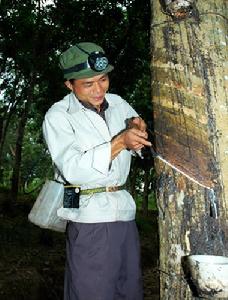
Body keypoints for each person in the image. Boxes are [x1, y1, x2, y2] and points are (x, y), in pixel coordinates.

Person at [43, 42, 151, 300]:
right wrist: (119, 143)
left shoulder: (118, 103)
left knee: (129, 291)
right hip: (90, 219)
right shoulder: (59, 116)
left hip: (125, 215)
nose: (99, 89)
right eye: (88, 84)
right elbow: (72, 170)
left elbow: (138, 139)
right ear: (70, 84)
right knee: (93, 292)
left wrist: (139, 131)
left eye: (103, 80)